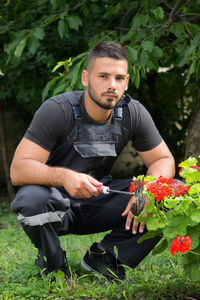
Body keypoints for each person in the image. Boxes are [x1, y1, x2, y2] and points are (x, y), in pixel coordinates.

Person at [10, 41, 175, 282]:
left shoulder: (133, 112)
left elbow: (163, 158)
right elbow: (18, 169)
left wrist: (148, 190)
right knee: (30, 198)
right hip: (56, 204)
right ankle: (53, 262)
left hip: (99, 201)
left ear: (127, 81)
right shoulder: (58, 110)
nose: (112, 85)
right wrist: (65, 177)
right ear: (86, 78)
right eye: (103, 76)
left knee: (172, 192)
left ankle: (103, 256)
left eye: (119, 78)